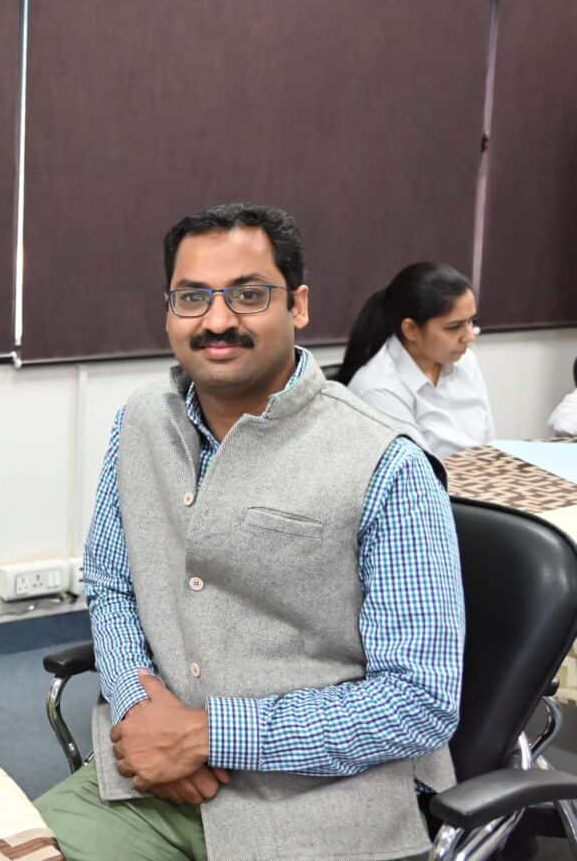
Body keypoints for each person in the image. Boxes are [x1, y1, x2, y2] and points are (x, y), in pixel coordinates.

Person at [33, 204, 463, 861]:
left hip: (323, 812)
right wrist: (136, 707)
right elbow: (111, 584)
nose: (217, 320)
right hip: (154, 783)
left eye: (249, 294)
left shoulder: (387, 464)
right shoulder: (141, 421)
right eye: (192, 297)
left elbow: (418, 700)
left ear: (299, 306)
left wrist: (207, 735)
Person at [337, 261, 494, 459]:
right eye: (454, 327)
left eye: (472, 322)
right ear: (411, 329)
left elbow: (489, 446)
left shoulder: (465, 360)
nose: (469, 336)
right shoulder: (378, 389)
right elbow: (416, 471)